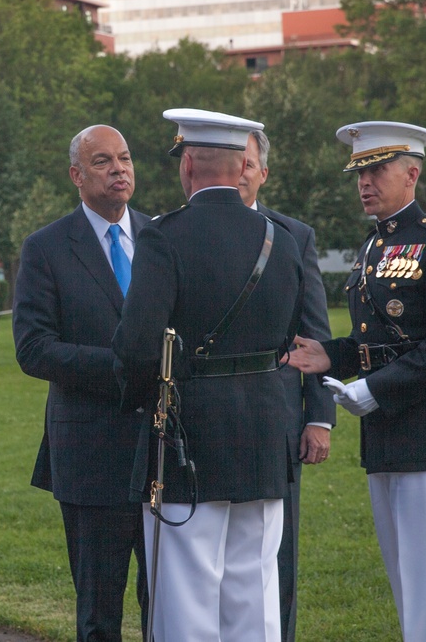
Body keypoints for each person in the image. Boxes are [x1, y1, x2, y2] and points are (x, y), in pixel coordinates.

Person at [288, 121, 426, 642]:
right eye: (359, 172)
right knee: (404, 582)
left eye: (376, 170)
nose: (364, 182)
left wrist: (376, 389)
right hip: (388, 438)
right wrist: (327, 355)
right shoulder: (374, 247)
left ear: (412, 173)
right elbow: (378, 339)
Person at [114, 109, 303, 642]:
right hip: (266, 432)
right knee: (256, 596)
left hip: (187, 437)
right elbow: (287, 336)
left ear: (189, 162)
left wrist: (139, 400)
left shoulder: (165, 237)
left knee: (187, 599)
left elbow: (135, 346)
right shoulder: (281, 238)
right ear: (243, 164)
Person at [14, 124, 150, 642]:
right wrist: (120, 366)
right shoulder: (46, 248)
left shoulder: (160, 238)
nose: (118, 169)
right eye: (102, 161)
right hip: (91, 455)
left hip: (167, 454)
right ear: (76, 175)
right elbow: (33, 348)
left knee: (172, 601)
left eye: (125, 158)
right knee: (99, 611)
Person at [238, 130, 336, 642]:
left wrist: (318, 417)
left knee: (279, 555)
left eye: (249, 164)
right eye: (233, 162)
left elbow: (313, 332)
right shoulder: (174, 233)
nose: (240, 173)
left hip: (278, 421)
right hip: (205, 421)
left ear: (264, 173)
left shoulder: (293, 235)